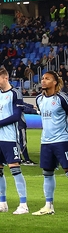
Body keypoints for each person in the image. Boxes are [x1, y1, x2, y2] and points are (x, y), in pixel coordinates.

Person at [0, 67, 30, 214]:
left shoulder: (14, 93)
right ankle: (2, 203)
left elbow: (16, 116)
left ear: (6, 78)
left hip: (10, 138)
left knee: (15, 169)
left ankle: (23, 204)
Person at [34, 70, 68, 215]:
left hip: (62, 141)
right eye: (42, 78)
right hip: (45, 142)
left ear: (55, 82)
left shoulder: (61, 98)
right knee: (47, 172)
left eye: (47, 79)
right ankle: (48, 206)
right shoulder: (38, 99)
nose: (43, 81)